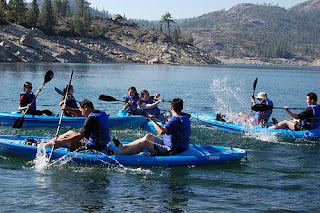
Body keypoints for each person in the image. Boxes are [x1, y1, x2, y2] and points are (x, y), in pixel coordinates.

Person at [112, 98, 191, 156]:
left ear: (171, 108)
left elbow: (161, 131)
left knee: (145, 143)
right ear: (181, 108)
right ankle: (123, 147)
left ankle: (117, 154)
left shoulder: (175, 120)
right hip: (175, 146)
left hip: (170, 150)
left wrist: (153, 121)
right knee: (148, 137)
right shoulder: (185, 117)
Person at [44, 99, 110, 151]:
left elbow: (80, 136)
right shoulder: (102, 113)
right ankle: (48, 142)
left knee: (64, 139)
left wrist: (61, 141)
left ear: (86, 108)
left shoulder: (90, 119)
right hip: (102, 144)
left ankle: (44, 145)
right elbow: (81, 113)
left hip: (93, 147)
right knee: (70, 132)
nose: (82, 114)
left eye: (82, 110)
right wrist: (68, 109)